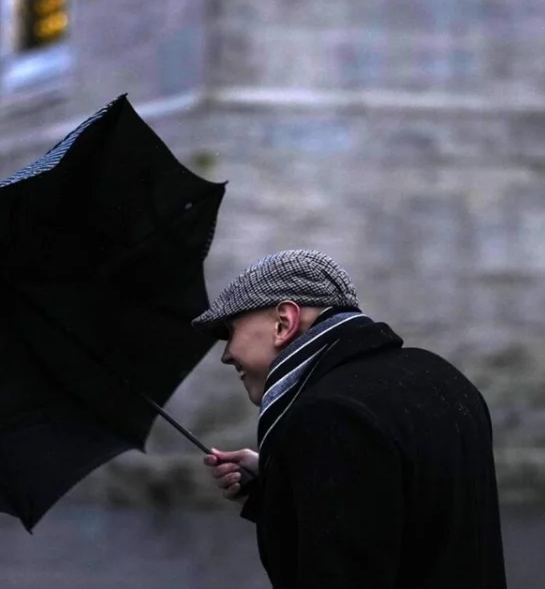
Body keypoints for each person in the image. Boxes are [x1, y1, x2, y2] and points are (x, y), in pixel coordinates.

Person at [194, 249, 507, 588]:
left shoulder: (328, 414)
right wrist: (284, 481)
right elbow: (418, 524)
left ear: (283, 322)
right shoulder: (442, 378)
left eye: (230, 331)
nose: (226, 355)